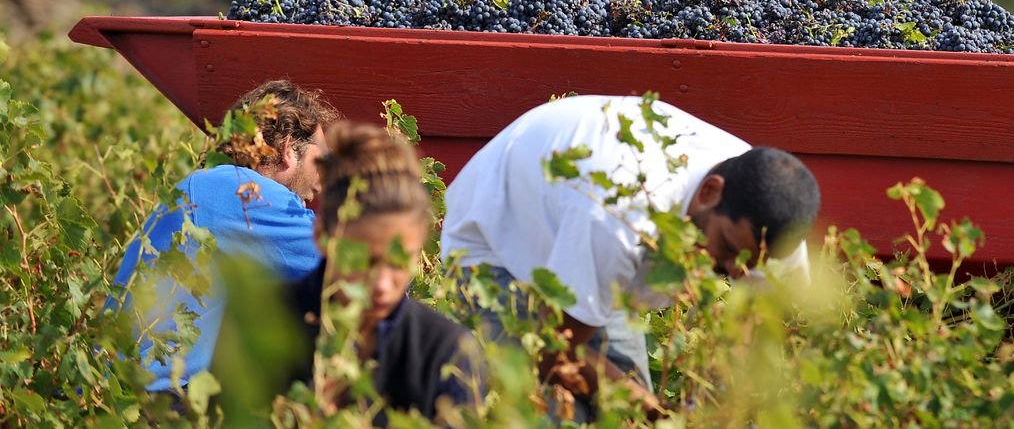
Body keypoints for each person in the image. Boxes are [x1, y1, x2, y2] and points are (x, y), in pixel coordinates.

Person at [439, 94, 821, 417]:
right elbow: (555, 351)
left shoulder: (772, 224)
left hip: (585, 243)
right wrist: (654, 412)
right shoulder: (619, 218)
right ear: (709, 192)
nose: (730, 272)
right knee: (555, 414)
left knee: (622, 407)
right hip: (499, 238)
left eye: (749, 267)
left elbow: (754, 340)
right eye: (727, 251)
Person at [223, 121, 480, 421]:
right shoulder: (265, 323)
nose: (383, 283)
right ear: (322, 236)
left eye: (400, 262)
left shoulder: (444, 352)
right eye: (364, 260)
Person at [113, 79, 338, 393]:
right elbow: (353, 267)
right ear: (288, 149)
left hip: (111, 386)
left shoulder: (209, 185)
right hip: (154, 396)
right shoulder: (249, 196)